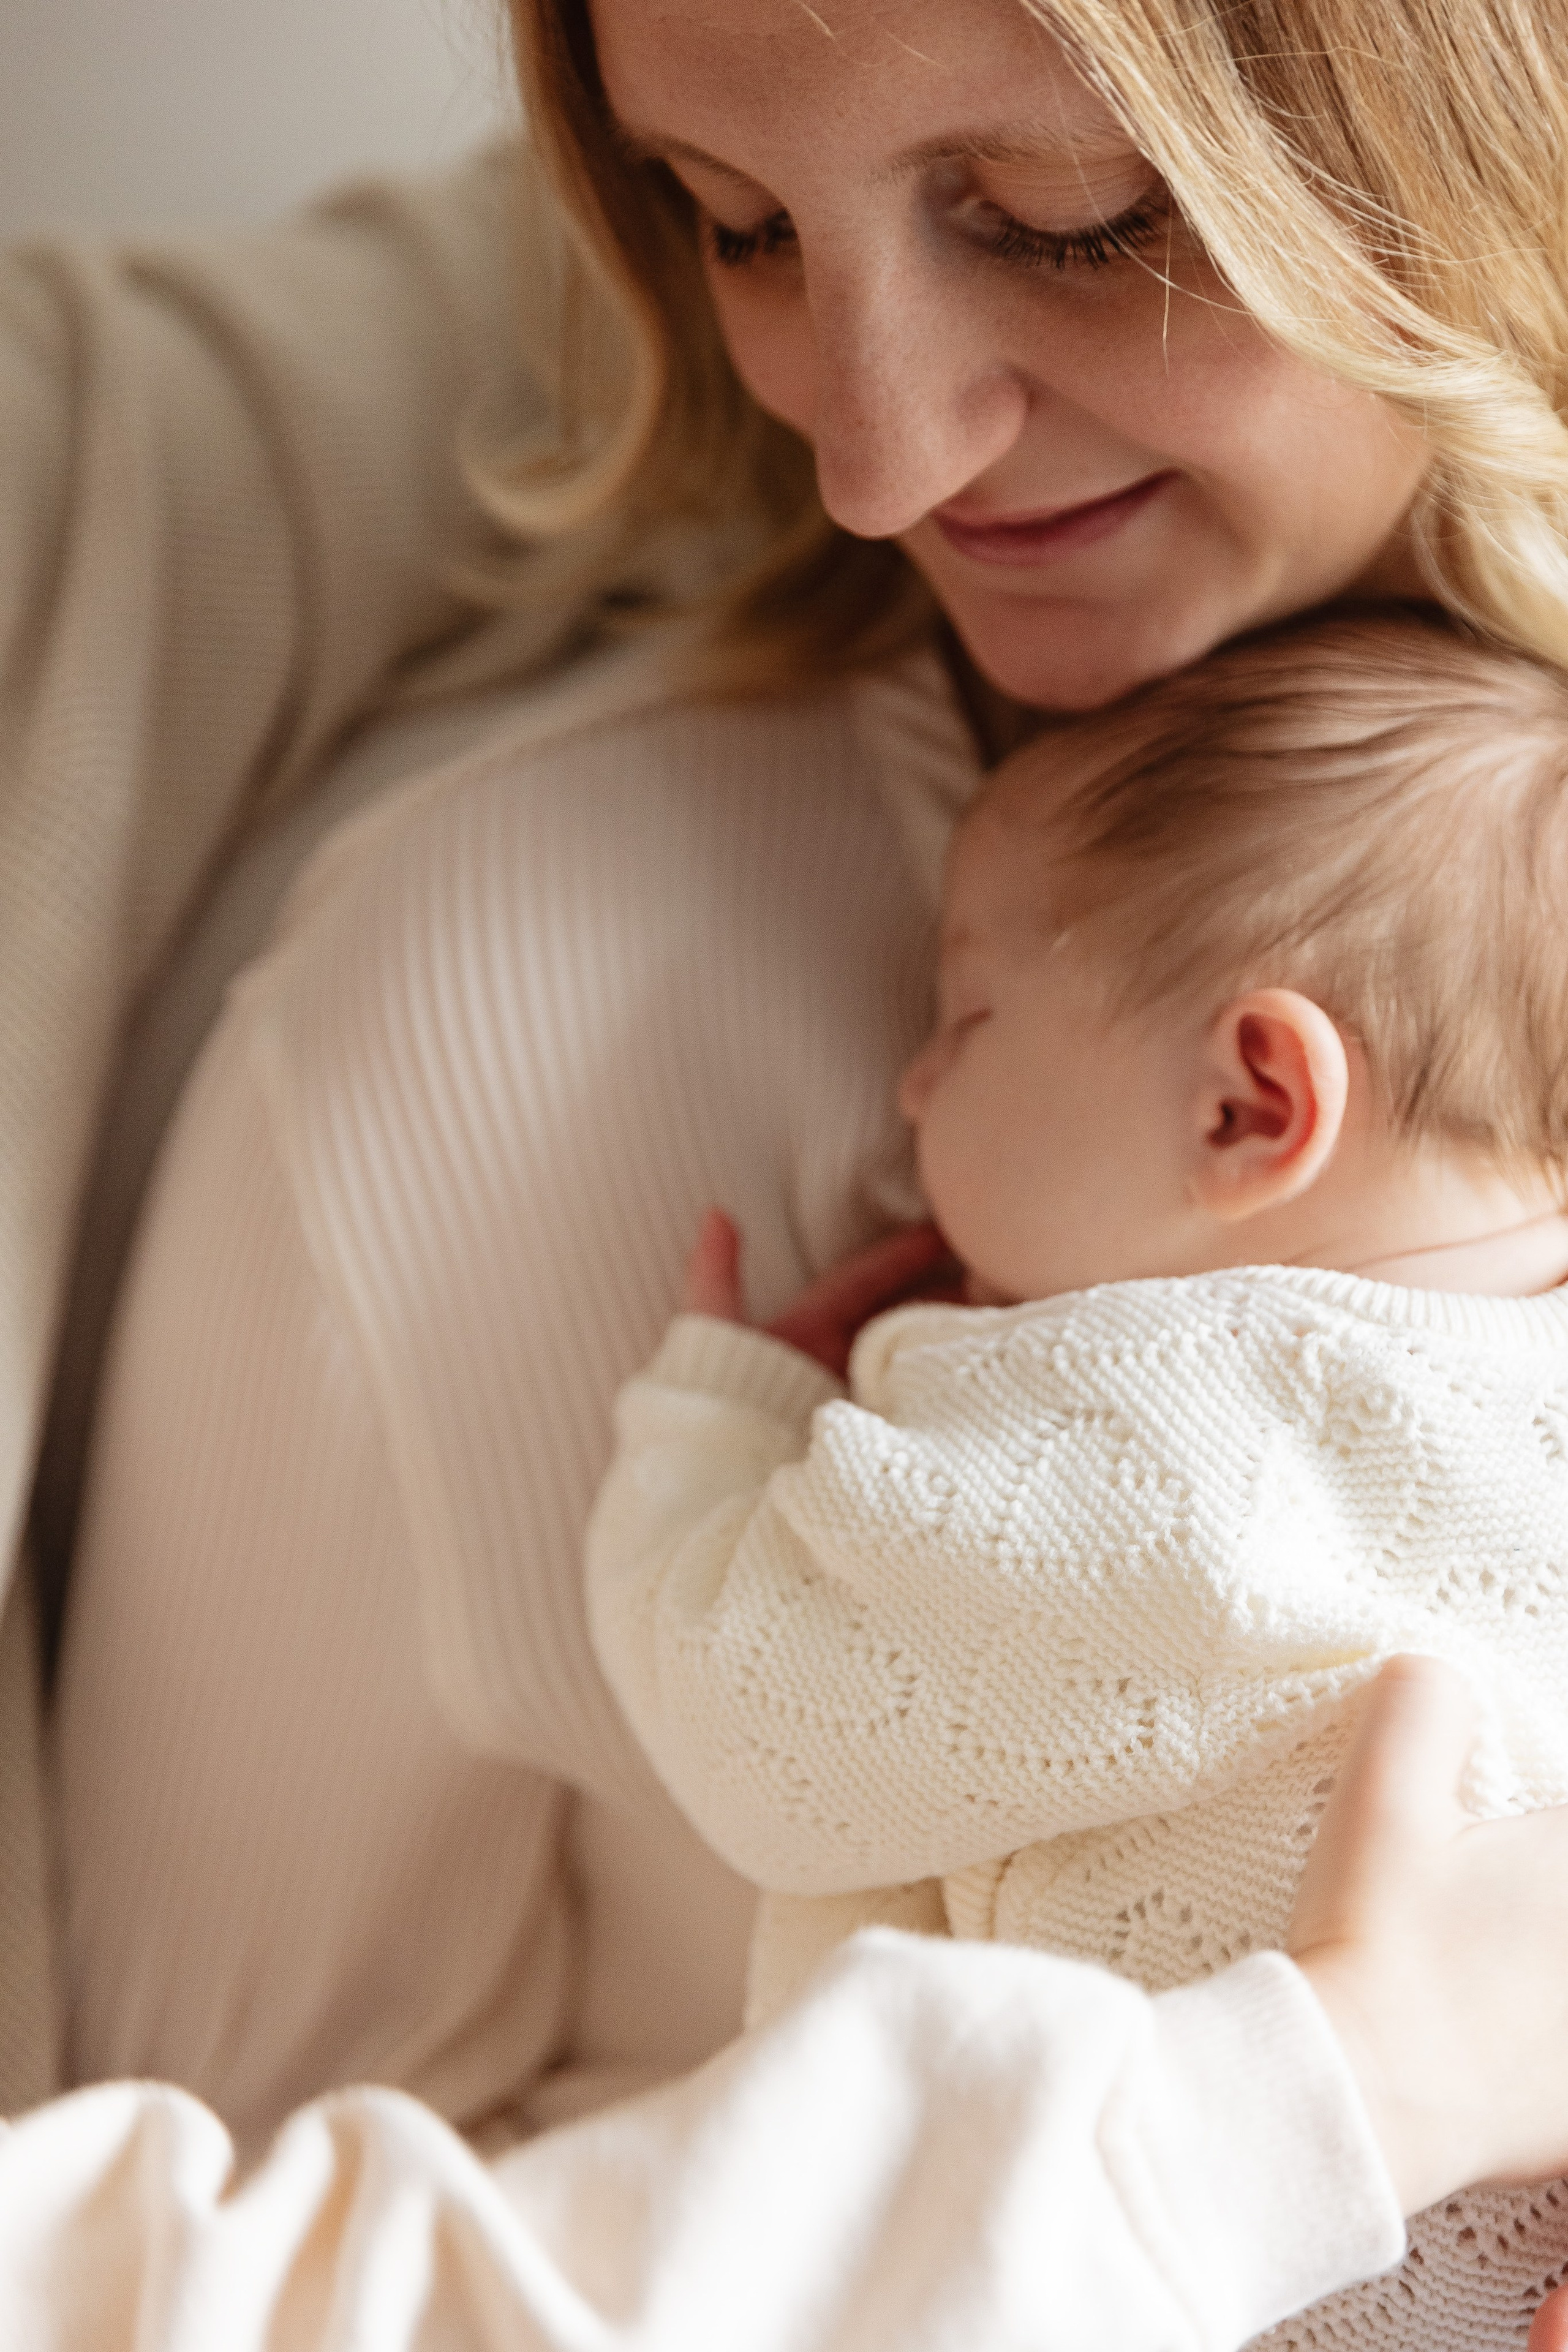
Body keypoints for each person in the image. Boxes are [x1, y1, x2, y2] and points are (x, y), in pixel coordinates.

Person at [6, 0, 1568, 2340]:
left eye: (1071, 219)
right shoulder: (516, 994)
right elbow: (210, 2214)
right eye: (736, 225)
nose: (874, 450)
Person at [589, 608, 1568, 2344]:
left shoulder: (1151, 1433)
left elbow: (767, 1716)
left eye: (967, 1013)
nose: (911, 1082)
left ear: (1248, 1107)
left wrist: (720, 1425)